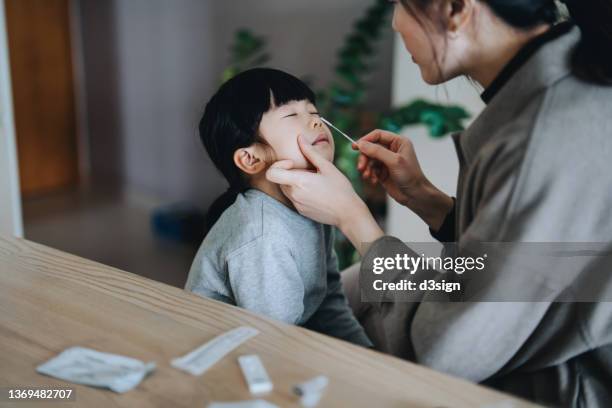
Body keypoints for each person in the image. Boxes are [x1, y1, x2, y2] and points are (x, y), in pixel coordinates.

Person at [265, 0, 612, 406]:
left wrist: (353, 217)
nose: (395, 23)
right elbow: (534, 259)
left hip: (571, 387)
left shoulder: (545, 135)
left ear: (456, 9)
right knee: (359, 284)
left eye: (402, 6)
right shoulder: (564, 84)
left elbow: (444, 353)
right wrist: (425, 199)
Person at [185, 68, 372, 348]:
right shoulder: (263, 235)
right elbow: (275, 346)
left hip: (281, 340)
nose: (316, 122)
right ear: (250, 159)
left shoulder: (315, 207)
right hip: (229, 355)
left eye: (313, 112)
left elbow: (326, 298)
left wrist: (366, 354)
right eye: (291, 115)